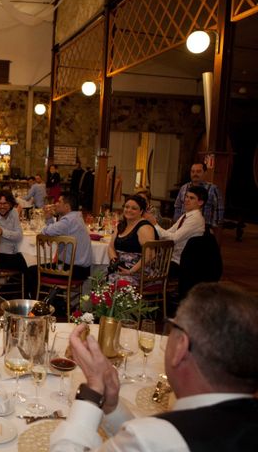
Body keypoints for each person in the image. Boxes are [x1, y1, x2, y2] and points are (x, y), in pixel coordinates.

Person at [50, 282, 258, 451]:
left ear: (181, 347)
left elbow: (152, 440)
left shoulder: (154, 439)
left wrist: (92, 392)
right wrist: (111, 406)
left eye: (172, 325)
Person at [145, 186, 206, 278]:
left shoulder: (195, 219)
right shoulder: (186, 216)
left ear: (200, 202)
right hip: (173, 258)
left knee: (146, 269)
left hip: (182, 263)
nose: (187, 200)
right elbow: (168, 233)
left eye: (191, 198)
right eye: (186, 196)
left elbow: (173, 239)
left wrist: (154, 224)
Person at [107, 195, 158, 287]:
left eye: (134, 208)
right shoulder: (122, 225)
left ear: (141, 211)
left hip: (140, 270)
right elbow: (111, 247)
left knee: (117, 282)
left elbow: (150, 254)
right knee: (98, 278)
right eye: (126, 207)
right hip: (122, 266)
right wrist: (115, 261)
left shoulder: (145, 227)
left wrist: (131, 271)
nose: (129, 210)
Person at [40, 193, 92, 281]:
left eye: (59, 202)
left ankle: (42, 294)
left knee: (32, 271)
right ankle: (51, 293)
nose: (56, 204)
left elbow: (47, 231)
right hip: (81, 269)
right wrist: (49, 218)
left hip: (73, 269)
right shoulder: (75, 217)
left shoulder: (68, 220)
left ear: (67, 206)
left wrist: (43, 233)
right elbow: (54, 231)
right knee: (39, 269)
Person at [173, 162, 224, 229]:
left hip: (203, 228)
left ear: (205, 173)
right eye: (193, 171)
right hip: (184, 226)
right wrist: (177, 223)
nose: (195, 174)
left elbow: (218, 209)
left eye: (198, 171)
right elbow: (178, 206)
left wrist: (213, 228)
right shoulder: (184, 188)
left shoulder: (213, 189)